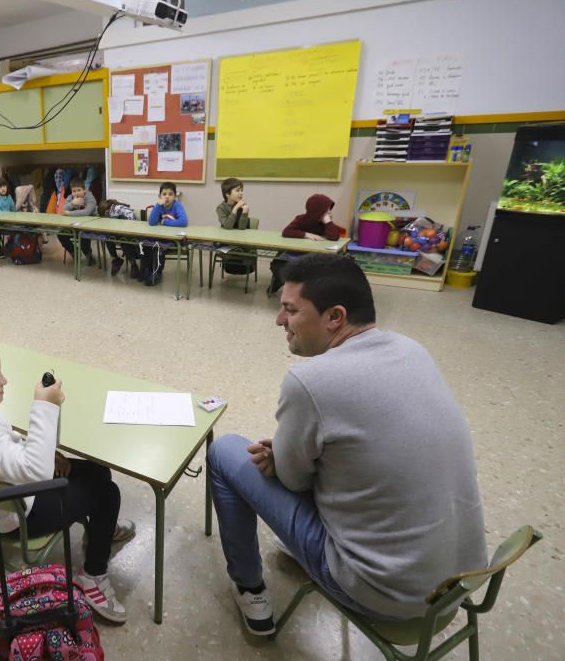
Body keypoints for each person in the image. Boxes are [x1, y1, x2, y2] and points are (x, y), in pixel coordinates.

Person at [206, 254, 486, 636]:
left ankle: (249, 587)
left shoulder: (311, 381)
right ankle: (293, 552)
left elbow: (293, 481)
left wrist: (285, 458)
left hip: (382, 593)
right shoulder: (412, 349)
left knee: (225, 452)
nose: (279, 321)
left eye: (289, 310)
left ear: (334, 317)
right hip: (461, 579)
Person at [0, 332, 136, 624]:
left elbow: (7, 449)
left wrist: (41, 446)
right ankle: (93, 576)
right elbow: (36, 474)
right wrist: (45, 407)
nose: (4, 380)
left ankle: (100, 533)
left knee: (97, 470)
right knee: (108, 493)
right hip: (19, 515)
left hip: (12, 495)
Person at [268, 194, 341, 295]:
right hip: (293, 254)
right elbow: (286, 231)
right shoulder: (301, 219)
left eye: (330, 209)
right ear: (317, 211)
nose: (329, 212)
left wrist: (328, 222)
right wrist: (306, 234)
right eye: (326, 210)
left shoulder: (325, 223)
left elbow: (334, 237)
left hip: (312, 257)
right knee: (279, 265)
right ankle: (280, 281)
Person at [142, 181, 187, 287]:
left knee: (158, 247)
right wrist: (158, 205)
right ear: (159, 196)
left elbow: (183, 222)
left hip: (174, 239)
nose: (167, 197)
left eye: (170, 194)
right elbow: (151, 222)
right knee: (147, 244)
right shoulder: (159, 206)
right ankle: (147, 271)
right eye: (164, 194)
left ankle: (157, 273)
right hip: (160, 236)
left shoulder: (177, 206)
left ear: (175, 196)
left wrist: (165, 222)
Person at [57, 176, 96, 266]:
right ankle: (75, 252)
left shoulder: (90, 198)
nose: (76, 193)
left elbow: (86, 212)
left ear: (84, 190)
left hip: (90, 225)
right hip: (74, 225)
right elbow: (62, 210)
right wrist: (72, 203)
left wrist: (69, 213)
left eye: (79, 190)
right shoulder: (71, 198)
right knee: (61, 234)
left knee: (82, 234)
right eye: (74, 191)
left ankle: (88, 254)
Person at [97, 199, 140, 278]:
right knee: (108, 237)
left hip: (130, 231)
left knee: (123, 241)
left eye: (105, 214)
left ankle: (133, 265)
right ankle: (116, 260)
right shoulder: (112, 210)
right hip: (120, 232)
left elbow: (131, 219)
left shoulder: (116, 209)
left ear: (106, 211)